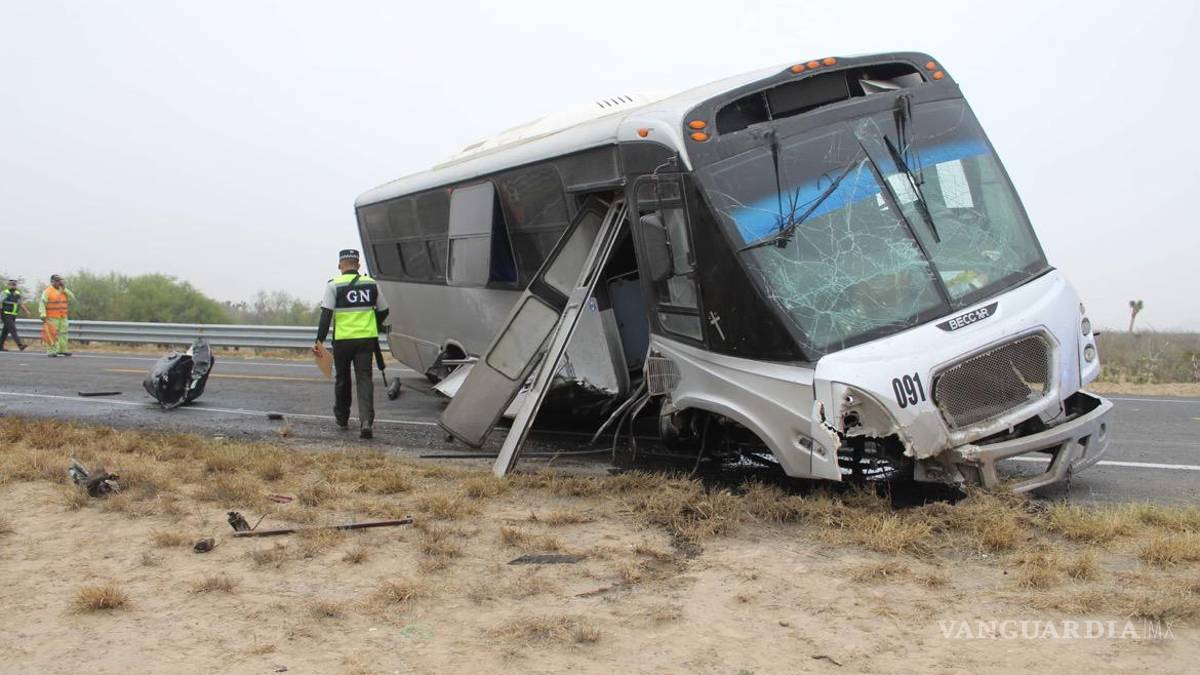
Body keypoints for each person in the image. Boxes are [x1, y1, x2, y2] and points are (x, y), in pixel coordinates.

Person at [313, 249, 389, 439]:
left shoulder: (333, 285)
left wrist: (319, 341)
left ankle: (342, 417)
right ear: (358, 265)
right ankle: (366, 422)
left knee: (343, 378)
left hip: (343, 341)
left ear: (340, 265)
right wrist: (375, 325)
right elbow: (384, 310)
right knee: (364, 378)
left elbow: (326, 315)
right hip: (365, 341)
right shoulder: (371, 284)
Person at [38, 274, 76, 357]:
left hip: (63, 316)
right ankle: (51, 351)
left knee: (64, 333)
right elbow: (42, 303)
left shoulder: (63, 290)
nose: (59, 282)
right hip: (52, 317)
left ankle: (62, 349)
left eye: (60, 280)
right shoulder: (47, 291)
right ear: (52, 282)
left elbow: (72, 297)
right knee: (52, 334)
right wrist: (43, 314)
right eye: (57, 281)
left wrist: (64, 288)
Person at [0, 279, 29, 351]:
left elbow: (20, 303)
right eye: (11, 285)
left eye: (14, 285)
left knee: (5, 331)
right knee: (13, 329)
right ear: (8, 285)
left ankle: (0, 346)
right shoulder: (5, 293)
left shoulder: (17, 294)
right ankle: (20, 345)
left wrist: (26, 311)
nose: (13, 286)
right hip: (5, 314)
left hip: (13, 315)